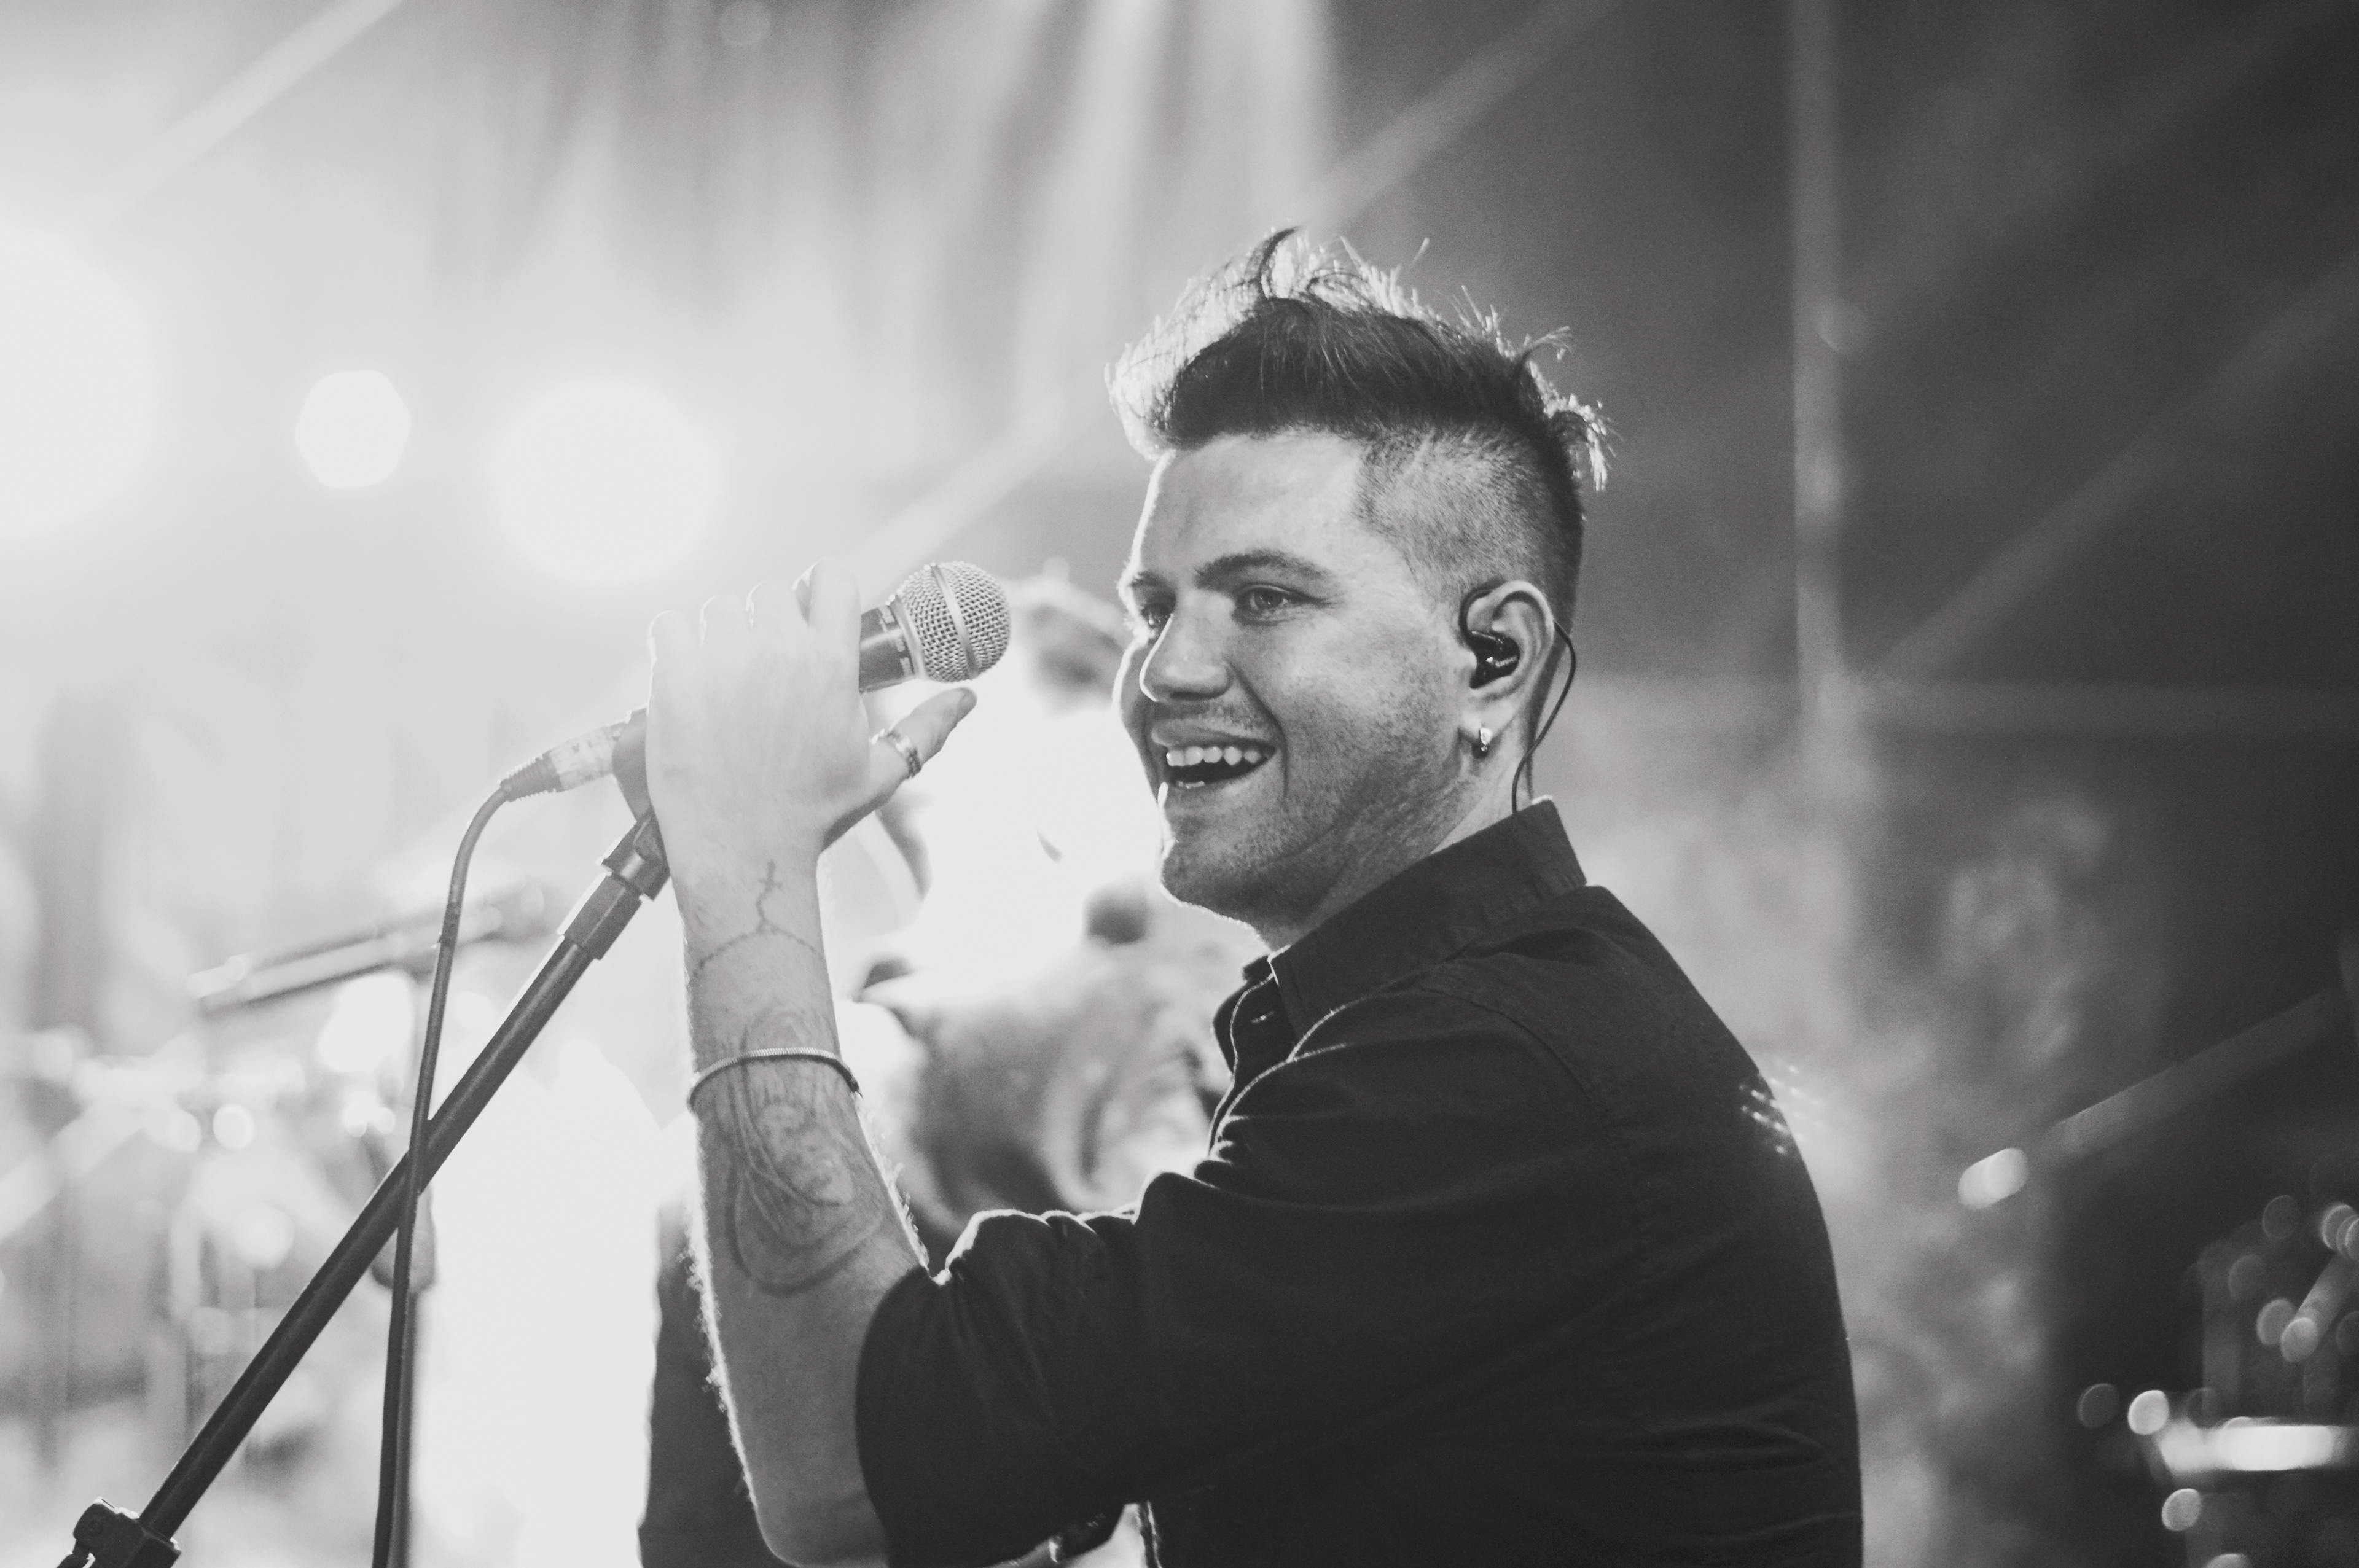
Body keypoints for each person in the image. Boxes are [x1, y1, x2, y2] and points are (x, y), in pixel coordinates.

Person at [643, 233, 1862, 1567]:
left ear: (1494, 658)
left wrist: (748, 862)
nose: (1166, 669)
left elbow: (853, 1466)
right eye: (1154, 608)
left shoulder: (1500, 1069)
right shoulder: (1425, 1044)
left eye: (1265, 599)